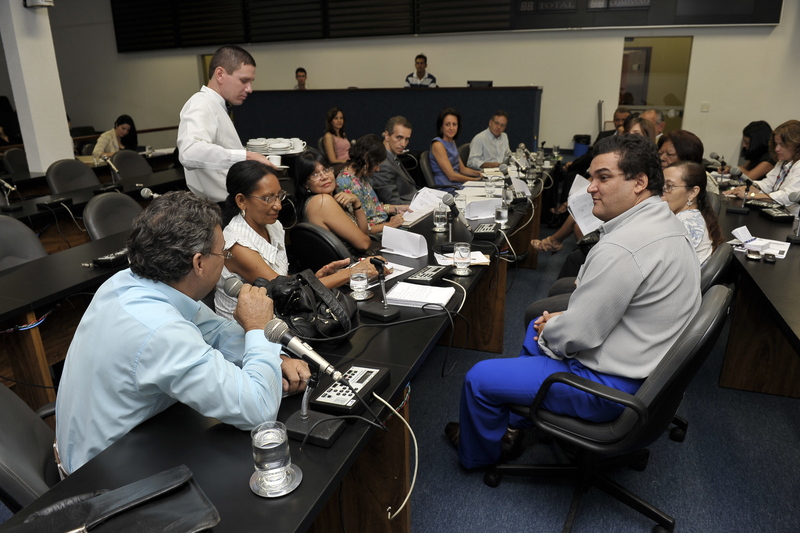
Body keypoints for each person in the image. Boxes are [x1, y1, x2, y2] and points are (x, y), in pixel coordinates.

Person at [444, 134, 701, 470]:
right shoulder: (666, 222)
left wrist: (555, 328)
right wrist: (556, 326)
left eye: (603, 178)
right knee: (537, 328)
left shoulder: (624, 247)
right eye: (592, 177)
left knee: (479, 378)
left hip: (610, 388)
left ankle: (479, 456)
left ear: (639, 182)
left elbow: (578, 335)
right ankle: (514, 424)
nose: (591, 187)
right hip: (647, 370)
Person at [55, 191, 309, 474]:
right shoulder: (159, 329)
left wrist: (273, 359)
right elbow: (258, 410)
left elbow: (218, 332)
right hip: (101, 478)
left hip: (138, 438)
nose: (226, 259)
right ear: (198, 263)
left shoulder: (132, 281)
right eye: (223, 253)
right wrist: (258, 329)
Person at [214, 161, 378, 320]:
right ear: (241, 201)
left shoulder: (273, 225)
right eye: (268, 198)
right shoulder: (237, 245)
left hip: (279, 314)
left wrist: (313, 279)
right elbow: (284, 291)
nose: (278, 206)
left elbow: (281, 280)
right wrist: (353, 272)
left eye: (279, 196)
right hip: (247, 329)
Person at [177, 45, 276, 203]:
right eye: (244, 81)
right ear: (220, 74)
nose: (249, 89)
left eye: (251, 82)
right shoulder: (200, 104)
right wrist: (246, 156)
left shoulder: (216, 105)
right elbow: (189, 152)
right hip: (219, 207)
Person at [295, 150, 373, 254]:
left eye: (326, 170)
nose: (324, 177)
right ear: (305, 184)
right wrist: (365, 239)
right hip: (350, 262)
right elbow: (364, 244)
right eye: (314, 174)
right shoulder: (322, 201)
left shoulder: (330, 199)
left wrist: (357, 203)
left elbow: (364, 235)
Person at [336, 134, 409, 235]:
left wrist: (396, 208)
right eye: (377, 164)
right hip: (375, 235)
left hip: (384, 226)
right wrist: (390, 225)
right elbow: (358, 229)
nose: (378, 169)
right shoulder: (345, 183)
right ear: (367, 160)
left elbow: (373, 207)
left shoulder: (362, 174)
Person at [725, 119, 800, 215]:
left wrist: (752, 195)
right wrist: (745, 188)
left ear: (797, 145)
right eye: (776, 144)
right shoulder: (782, 163)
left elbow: (788, 196)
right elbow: (767, 184)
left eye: (782, 145)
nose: (777, 149)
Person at [662, 161, 724, 265]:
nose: (661, 192)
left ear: (693, 192)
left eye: (669, 186)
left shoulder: (685, 225)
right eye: (661, 185)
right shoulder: (690, 216)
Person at [430, 107, 482, 191]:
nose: (451, 128)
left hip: (457, 184)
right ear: (441, 127)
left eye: (454, 124)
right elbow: (452, 176)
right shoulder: (438, 145)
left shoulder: (452, 142)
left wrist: (479, 173)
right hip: (446, 187)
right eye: (447, 124)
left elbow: (463, 169)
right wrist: (475, 180)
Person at [371, 116, 418, 205]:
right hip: (405, 209)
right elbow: (394, 203)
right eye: (399, 137)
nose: (403, 144)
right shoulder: (382, 163)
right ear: (387, 136)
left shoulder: (392, 156)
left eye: (407, 139)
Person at [658, 129, 719, 194]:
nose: (661, 158)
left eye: (670, 154)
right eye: (660, 154)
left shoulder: (706, 181)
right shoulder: (656, 175)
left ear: (687, 159)